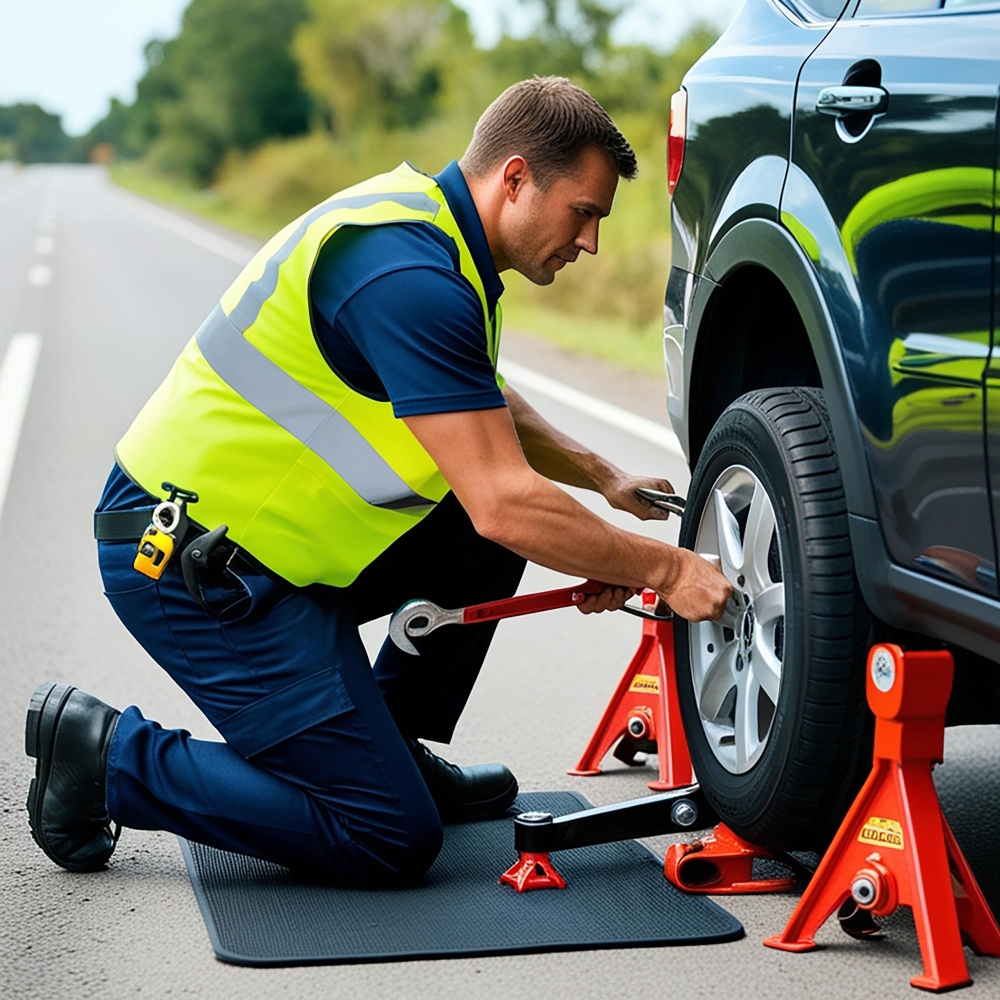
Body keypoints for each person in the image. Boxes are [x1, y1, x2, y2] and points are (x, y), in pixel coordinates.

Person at [25, 76, 732, 883]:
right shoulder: (409, 277)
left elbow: (478, 397)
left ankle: (384, 746)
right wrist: (662, 567)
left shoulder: (430, 231)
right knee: (388, 835)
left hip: (264, 550)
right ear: (514, 179)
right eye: (585, 212)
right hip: (191, 567)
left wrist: (601, 478)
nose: (592, 242)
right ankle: (106, 756)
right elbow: (502, 500)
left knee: (486, 531)